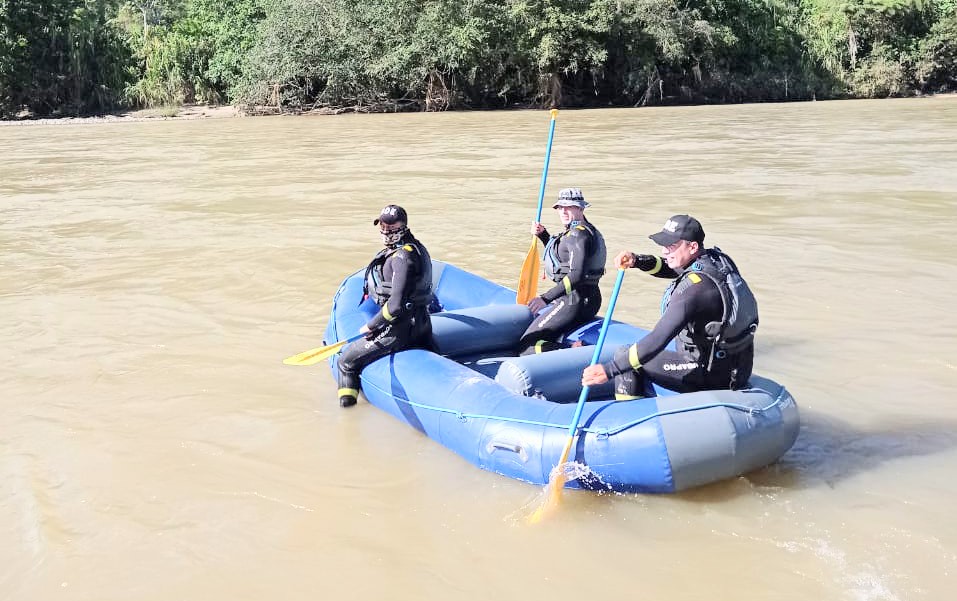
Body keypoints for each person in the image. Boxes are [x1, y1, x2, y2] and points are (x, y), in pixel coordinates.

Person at [581, 214, 758, 398]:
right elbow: (672, 268)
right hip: (737, 368)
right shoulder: (716, 261)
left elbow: (658, 339)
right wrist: (637, 260)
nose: (665, 251)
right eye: (664, 245)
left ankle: (629, 415)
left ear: (692, 246)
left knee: (625, 355)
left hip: (710, 374)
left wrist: (610, 370)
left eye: (672, 245)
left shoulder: (694, 290)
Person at [337, 205, 433, 408]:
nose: (386, 230)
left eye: (392, 226)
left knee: (345, 362)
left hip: (400, 331)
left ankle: (347, 412)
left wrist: (371, 326)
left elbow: (396, 305)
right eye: (382, 225)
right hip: (422, 325)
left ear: (404, 226)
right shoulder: (416, 247)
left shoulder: (402, 258)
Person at [518, 187, 606, 355]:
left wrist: (545, 298)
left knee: (526, 346)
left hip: (574, 301)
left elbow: (576, 275)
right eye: (560, 207)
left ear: (580, 208)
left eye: (569, 207)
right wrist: (544, 235)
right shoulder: (582, 230)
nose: (564, 211)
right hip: (586, 299)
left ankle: (572, 351)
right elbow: (563, 257)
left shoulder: (577, 235)